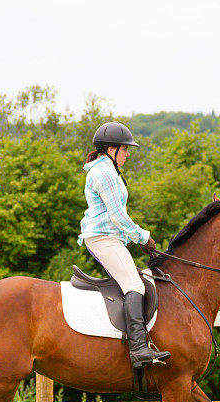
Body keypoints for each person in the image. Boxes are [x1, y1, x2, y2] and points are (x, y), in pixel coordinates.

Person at [77, 121, 171, 368]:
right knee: (134, 285)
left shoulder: (109, 170)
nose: (128, 154)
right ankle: (139, 349)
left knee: (133, 282)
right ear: (111, 148)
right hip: (102, 238)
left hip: (111, 237)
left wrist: (134, 238)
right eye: (125, 149)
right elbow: (117, 215)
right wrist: (143, 237)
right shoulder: (103, 173)